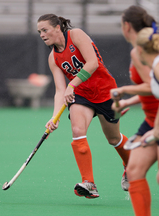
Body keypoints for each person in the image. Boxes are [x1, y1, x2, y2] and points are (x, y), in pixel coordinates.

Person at [37, 14, 130, 199]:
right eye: (39, 31)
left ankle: (130, 165)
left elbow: (93, 63)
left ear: (57, 28)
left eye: (45, 30)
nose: (41, 34)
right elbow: (59, 90)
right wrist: (54, 117)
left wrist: (72, 84)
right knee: (77, 129)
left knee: (113, 139)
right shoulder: (52, 58)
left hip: (105, 91)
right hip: (81, 95)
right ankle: (89, 183)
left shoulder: (76, 35)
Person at [110, 6, 158, 216]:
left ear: (126, 26)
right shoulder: (140, 49)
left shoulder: (145, 52)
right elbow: (155, 88)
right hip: (151, 119)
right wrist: (128, 101)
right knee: (134, 170)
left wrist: (124, 90)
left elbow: (152, 86)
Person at [121, 25, 159, 216]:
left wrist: (156, 131)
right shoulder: (155, 69)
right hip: (154, 124)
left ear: (141, 50)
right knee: (134, 170)